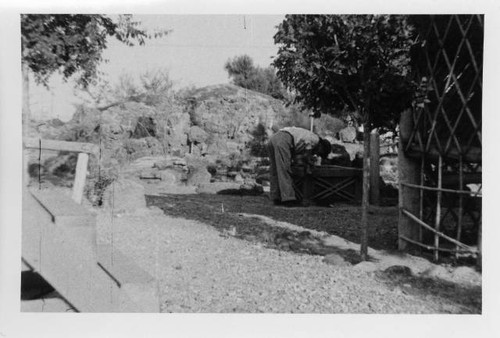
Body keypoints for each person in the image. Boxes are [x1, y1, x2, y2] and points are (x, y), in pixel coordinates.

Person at [267, 126, 331, 206]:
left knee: (275, 170)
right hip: (283, 139)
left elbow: (299, 155)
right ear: (322, 146)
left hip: (274, 138)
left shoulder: (306, 137)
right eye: (320, 153)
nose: (317, 154)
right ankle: (288, 199)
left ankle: (276, 197)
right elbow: (306, 156)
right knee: (285, 170)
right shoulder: (315, 139)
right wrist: (309, 166)